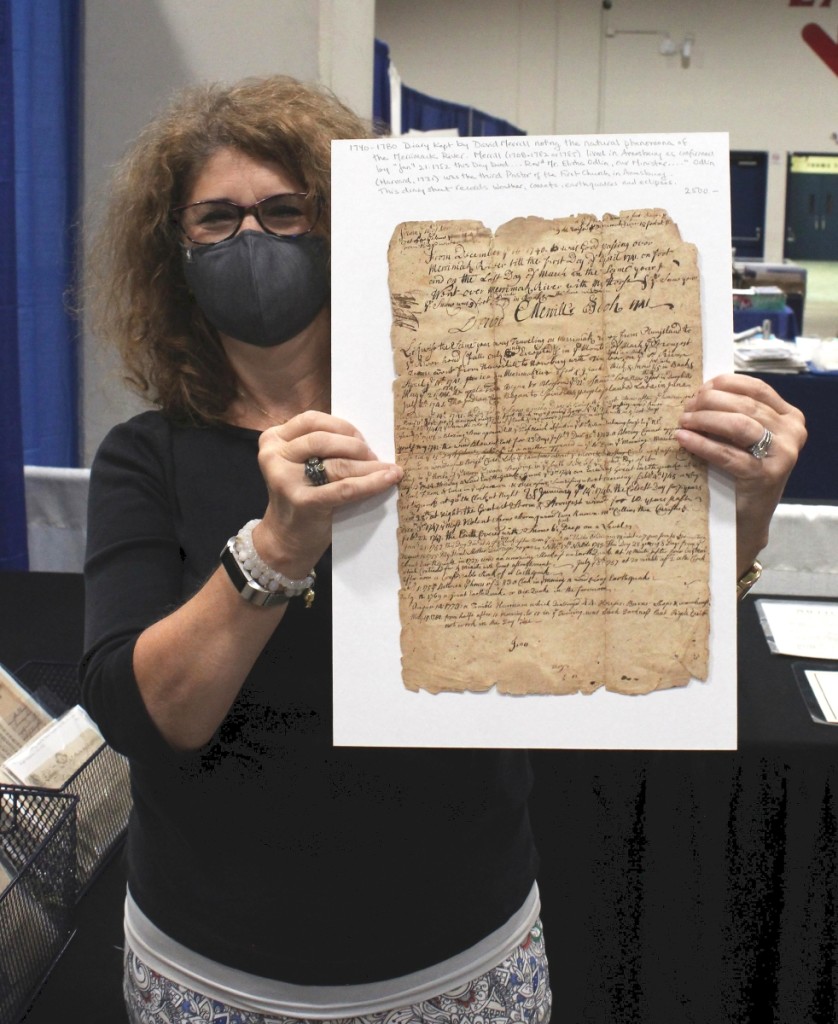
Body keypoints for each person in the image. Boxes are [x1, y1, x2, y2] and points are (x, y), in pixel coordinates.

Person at [80, 75, 805, 1024]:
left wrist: (742, 509)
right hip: (217, 971)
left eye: (284, 210)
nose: (251, 238)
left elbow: (618, 586)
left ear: (340, 224)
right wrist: (277, 547)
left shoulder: (466, 410)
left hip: (463, 961)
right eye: (215, 220)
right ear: (173, 254)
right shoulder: (147, 455)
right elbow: (145, 717)